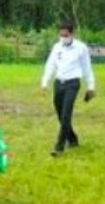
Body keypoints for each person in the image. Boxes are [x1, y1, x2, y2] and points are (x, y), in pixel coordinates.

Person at [40, 21, 96, 157]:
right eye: (61, 35)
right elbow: (51, 65)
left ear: (71, 34)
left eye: (65, 35)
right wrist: (44, 82)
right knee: (60, 114)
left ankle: (59, 146)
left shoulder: (81, 48)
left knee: (66, 114)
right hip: (59, 83)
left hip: (73, 83)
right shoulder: (57, 47)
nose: (63, 37)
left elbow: (87, 68)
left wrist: (91, 86)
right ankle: (72, 138)